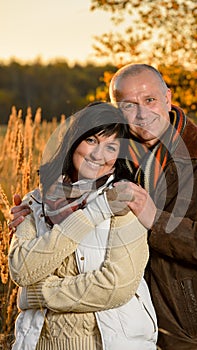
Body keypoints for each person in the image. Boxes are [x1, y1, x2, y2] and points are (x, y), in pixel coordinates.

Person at [9, 64, 197, 350]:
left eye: (150, 100)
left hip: (189, 333)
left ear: (168, 97)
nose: (142, 114)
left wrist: (157, 221)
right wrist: (35, 210)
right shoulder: (115, 155)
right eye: (129, 105)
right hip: (122, 328)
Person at [8, 102, 158, 350]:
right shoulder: (35, 201)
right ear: (73, 141)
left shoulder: (123, 201)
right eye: (90, 140)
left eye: (111, 147)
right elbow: (21, 270)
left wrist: (39, 294)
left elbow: (116, 285)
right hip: (38, 343)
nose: (98, 155)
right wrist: (95, 213)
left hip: (109, 343)